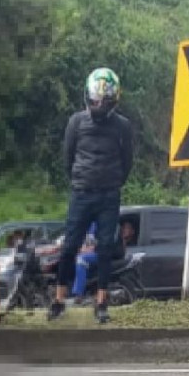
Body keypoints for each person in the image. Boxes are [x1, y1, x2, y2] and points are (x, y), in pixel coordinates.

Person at [49, 67, 133, 325]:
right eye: (93, 99)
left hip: (108, 194)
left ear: (112, 101)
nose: (97, 104)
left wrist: (113, 182)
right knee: (69, 247)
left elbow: (127, 161)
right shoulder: (76, 122)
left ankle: (101, 301)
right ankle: (59, 299)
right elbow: (68, 157)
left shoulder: (123, 126)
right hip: (82, 192)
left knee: (106, 247)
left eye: (102, 101)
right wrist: (79, 180)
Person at [71, 223, 98, 301]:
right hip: (88, 253)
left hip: (100, 253)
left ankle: (79, 294)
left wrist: (84, 250)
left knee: (81, 259)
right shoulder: (83, 224)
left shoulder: (97, 224)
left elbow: (93, 246)